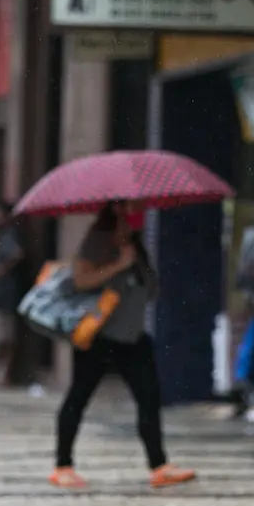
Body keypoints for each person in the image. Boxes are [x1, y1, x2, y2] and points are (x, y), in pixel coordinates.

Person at [50, 201, 196, 490]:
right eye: (129, 213)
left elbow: (148, 287)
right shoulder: (97, 241)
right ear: (116, 213)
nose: (136, 218)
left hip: (132, 337)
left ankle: (159, 465)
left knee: (149, 398)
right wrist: (118, 264)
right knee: (79, 397)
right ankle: (62, 465)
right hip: (99, 336)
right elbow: (80, 280)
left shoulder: (135, 245)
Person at [0, 201, 24, 386]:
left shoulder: (10, 235)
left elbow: (17, 254)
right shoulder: (1, 235)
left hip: (5, 294)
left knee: (3, 337)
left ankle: (0, 374)